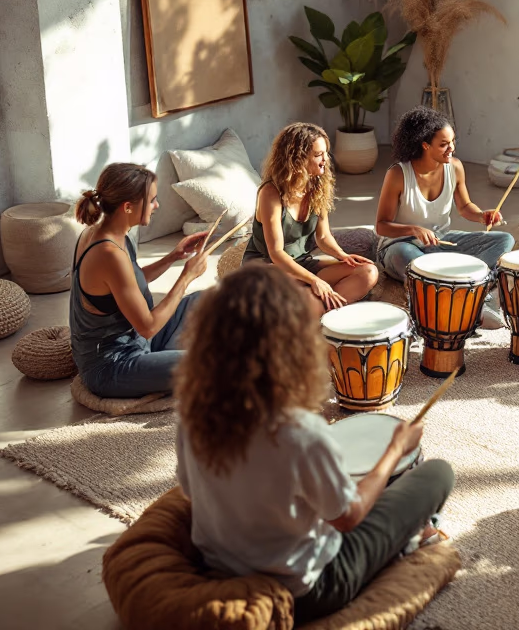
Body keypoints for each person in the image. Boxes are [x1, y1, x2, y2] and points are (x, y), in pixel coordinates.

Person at [174, 263, 455, 618]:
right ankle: (407, 543)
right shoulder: (298, 430)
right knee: (437, 474)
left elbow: (188, 490)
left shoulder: (191, 410)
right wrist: (395, 450)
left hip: (219, 565)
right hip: (310, 588)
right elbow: (347, 517)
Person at [70, 163, 208, 398]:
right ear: (127, 207)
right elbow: (148, 327)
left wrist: (174, 256)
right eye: (152, 200)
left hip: (137, 341)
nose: (157, 206)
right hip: (113, 364)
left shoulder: (113, 234)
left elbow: (129, 284)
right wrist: (186, 277)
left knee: (206, 300)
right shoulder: (108, 253)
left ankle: (166, 358)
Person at [375, 106, 515, 328]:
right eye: (444, 144)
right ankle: (466, 295)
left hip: (440, 242)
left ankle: (467, 287)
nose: (451, 148)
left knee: (505, 240)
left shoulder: (455, 167)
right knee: (413, 259)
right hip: (399, 246)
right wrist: (413, 229)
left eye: (452, 141)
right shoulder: (398, 174)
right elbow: (381, 226)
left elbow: (465, 206)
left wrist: (482, 215)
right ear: (425, 145)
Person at [243, 123, 377, 313]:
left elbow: (323, 237)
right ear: (296, 159)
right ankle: (319, 308)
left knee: (368, 271)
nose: (325, 160)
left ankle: (318, 310)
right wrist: (315, 280)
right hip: (268, 268)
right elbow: (276, 253)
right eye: (318, 155)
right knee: (299, 289)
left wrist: (342, 255)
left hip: (301, 263)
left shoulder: (317, 187)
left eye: (325, 153)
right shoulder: (270, 193)